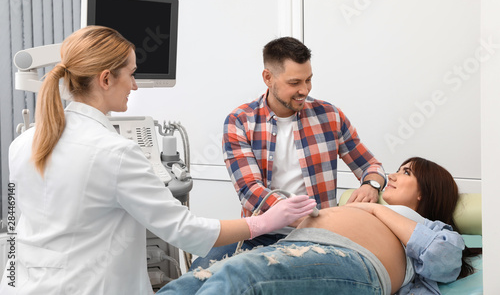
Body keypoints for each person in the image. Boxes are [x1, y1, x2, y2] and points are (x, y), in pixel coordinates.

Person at [0, 26, 317, 295]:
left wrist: (10, 282)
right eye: (132, 74)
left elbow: (14, 228)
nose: (134, 85)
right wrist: (263, 222)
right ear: (106, 79)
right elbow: (184, 230)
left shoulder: (22, 144)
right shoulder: (115, 152)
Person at [191, 36, 386, 269]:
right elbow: (249, 189)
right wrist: (297, 215)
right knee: (200, 272)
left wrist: (371, 185)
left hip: (321, 236)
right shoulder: (239, 121)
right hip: (261, 234)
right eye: (294, 83)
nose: (304, 90)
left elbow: (370, 166)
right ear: (267, 78)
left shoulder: (330, 116)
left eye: (309, 80)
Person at [158, 157, 478, 294]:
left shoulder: (436, 230)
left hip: (355, 262)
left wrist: (378, 212)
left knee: (240, 277)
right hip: (298, 248)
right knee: (192, 282)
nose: (392, 175)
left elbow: (443, 262)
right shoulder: (364, 203)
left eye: (406, 173)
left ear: (426, 191)